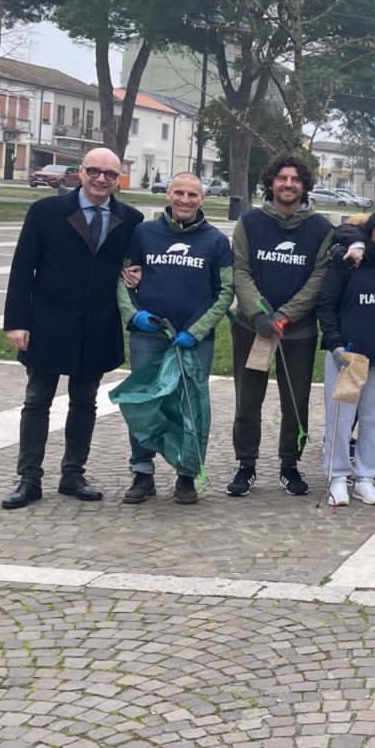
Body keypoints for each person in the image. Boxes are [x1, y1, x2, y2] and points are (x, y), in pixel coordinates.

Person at [3, 147, 142, 509]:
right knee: (37, 401)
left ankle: (73, 473)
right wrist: (16, 321)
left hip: (97, 323)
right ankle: (29, 478)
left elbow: (134, 266)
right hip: (48, 321)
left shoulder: (131, 219)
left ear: (118, 180)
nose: (101, 179)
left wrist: (135, 276)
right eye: (94, 171)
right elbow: (22, 268)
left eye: (110, 174)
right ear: (80, 172)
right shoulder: (46, 211)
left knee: (85, 402)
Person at [116, 172, 232, 505]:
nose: (184, 200)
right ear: (168, 194)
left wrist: (196, 331)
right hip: (149, 335)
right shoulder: (144, 233)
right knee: (144, 401)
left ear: (202, 199)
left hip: (194, 339)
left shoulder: (216, 241)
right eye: (178, 193)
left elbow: (224, 292)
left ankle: (186, 474)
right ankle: (142, 472)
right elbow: (123, 278)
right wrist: (132, 314)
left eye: (192, 195)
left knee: (190, 405)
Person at [227, 154, 336, 498]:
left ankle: (290, 464)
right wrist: (259, 313)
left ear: (304, 187)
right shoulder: (249, 222)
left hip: (297, 330)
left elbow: (320, 276)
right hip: (252, 326)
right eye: (282, 178)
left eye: (295, 180)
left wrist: (285, 314)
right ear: (271, 183)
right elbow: (240, 269)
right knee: (248, 398)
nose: (288, 184)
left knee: (296, 400)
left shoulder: (320, 228)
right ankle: (246, 464)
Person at [317, 207, 375, 507]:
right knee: (340, 419)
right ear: (370, 232)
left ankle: (366, 477)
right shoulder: (348, 261)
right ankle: (338, 476)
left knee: (374, 420)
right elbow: (327, 304)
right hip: (348, 356)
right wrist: (335, 344)